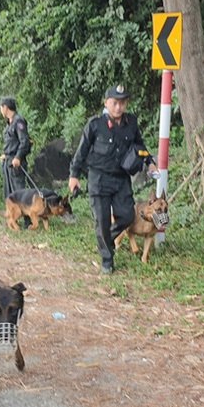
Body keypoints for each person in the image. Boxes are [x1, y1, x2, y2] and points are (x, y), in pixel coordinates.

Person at [68, 84, 158, 274]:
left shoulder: (131, 123)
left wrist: (150, 162)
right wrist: (74, 176)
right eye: (114, 103)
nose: (118, 107)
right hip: (99, 178)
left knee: (126, 215)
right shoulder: (95, 125)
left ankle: (105, 240)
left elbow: (139, 145)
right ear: (106, 103)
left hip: (121, 179)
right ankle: (107, 260)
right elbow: (81, 151)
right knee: (102, 220)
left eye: (122, 103)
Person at [0, 96, 31, 200]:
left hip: (16, 164)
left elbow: (24, 141)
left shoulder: (19, 121)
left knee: (20, 194)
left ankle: (27, 216)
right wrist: (6, 154)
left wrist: (18, 157)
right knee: (10, 195)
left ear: (6, 107)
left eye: (1, 107)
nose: (1, 110)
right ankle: (12, 216)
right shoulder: (9, 123)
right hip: (8, 163)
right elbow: (13, 142)